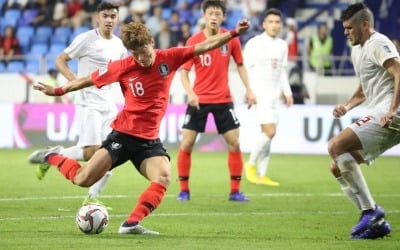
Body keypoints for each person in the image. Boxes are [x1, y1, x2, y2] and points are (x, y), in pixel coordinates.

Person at [28, 18, 250, 235]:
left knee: (163, 177)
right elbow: (86, 80)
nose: (141, 58)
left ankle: (131, 224)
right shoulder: (123, 66)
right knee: (82, 179)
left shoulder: (170, 57)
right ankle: (53, 157)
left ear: (151, 42)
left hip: (149, 141)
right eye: (134, 53)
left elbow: (204, 46)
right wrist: (58, 91)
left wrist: (233, 34)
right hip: (122, 137)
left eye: (143, 51)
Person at [31, 2, 127, 209]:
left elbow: (118, 74)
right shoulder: (86, 39)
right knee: (92, 151)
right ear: (97, 17)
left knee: (112, 152)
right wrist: (75, 82)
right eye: (106, 15)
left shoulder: (119, 45)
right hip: (87, 102)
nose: (109, 20)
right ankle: (53, 156)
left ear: (117, 19)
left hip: (108, 104)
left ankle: (92, 197)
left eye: (113, 16)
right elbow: (60, 60)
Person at [328, 2, 400, 239]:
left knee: (335, 146)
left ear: (365, 25)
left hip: (392, 112)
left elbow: (399, 72)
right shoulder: (357, 49)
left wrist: (392, 108)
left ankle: (371, 211)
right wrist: (346, 106)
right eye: (344, 28)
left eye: (350, 28)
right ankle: (376, 223)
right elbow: (364, 90)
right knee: (337, 165)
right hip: (382, 111)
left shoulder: (378, 43)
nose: (346, 32)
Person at [176, 0, 256, 202]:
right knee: (187, 143)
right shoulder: (193, 40)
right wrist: (191, 93)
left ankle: (235, 191)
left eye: (217, 14)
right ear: (204, 15)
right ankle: (184, 190)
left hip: (223, 99)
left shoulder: (231, 39)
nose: (213, 17)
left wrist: (249, 89)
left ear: (223, 17)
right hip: (198, 100)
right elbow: (183, 73)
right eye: (210, 13)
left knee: (234, 142)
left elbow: (240, 65)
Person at [243, 8, 293, 186]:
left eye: (277, 22)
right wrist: (248, 91)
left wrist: (287, 92)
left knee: (268, 136)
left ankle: (262, 175)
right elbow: (245, 69)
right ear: (264, 24)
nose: (274, 25)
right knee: (270, 132)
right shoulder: (254, 43)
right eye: (270, 22)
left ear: (281, 25)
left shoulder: (282, 45)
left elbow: (282, 72)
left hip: (274, 97)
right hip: (259, 94)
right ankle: (250, 164)